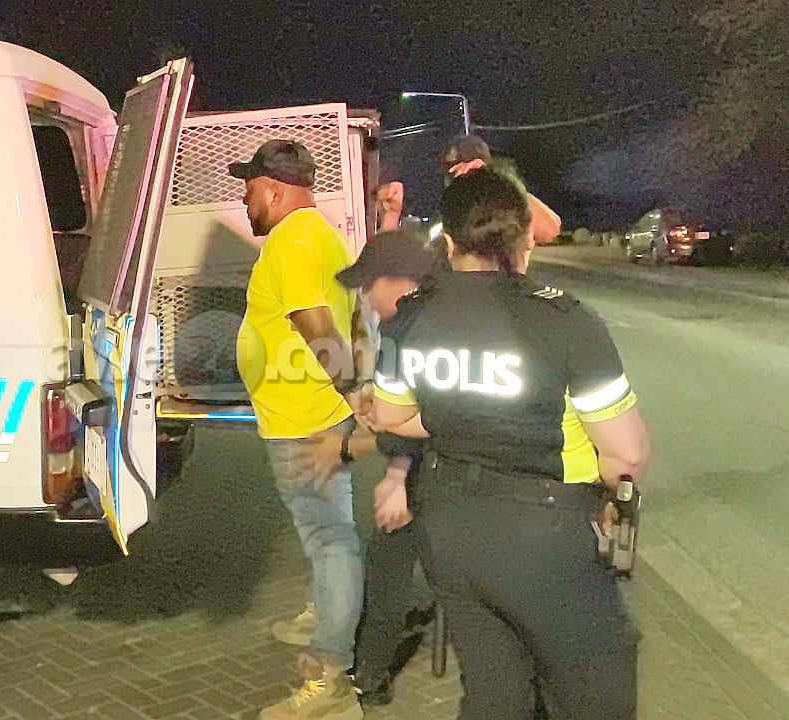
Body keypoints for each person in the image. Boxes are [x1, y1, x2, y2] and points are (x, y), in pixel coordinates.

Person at [369, 168, 650, 719]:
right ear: (525, 242)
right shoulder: (564, 320)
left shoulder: (411, 318)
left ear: (450, 244)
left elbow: (391, 416)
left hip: (450, 529)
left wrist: (462, 414)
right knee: (597, 692)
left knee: (494, 691)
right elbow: (627, 455)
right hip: (547, 538)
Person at [228, 139, 368, 720]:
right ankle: (323, 612)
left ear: (275, 189)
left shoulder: (291, 240)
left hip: (303, 420)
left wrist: (350, 391)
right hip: (310, 414)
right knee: (325, 532)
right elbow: (354, 319)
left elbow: (316, 323)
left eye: (249, 191)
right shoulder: (322, 235)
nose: (245, 201)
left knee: (331, 539)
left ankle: (331, 683)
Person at [332, 230, 443, 706]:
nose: (364, 298)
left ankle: (370, 676)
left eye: (367, 285)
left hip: (435, 469)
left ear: (398, 280)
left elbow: (428, 417)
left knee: (389, 562)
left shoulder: (411, 328)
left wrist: (397, 475)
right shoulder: (450, 312)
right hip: (475, 471)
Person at [441, 134, 562, 246]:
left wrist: (502, 182)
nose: (464, 185)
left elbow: (550, 230)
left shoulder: (507, 206)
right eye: (456, 177)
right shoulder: (450, 212)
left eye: (472, 175)